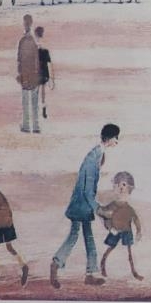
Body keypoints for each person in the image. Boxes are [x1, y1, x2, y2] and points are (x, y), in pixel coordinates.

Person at [50, 123, 119, 289]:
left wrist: (97, 209)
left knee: (85, 236)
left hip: (83, 204)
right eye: (116, 138)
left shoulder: (98, 154)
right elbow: (88, 191)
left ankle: (89, 273)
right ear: (109, 138)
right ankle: (57, 264)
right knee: (76, 236)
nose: (117, 141)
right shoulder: (92, 158)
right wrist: (99, 209)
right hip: (81, 204)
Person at [97, 171, 144, 280]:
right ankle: (102, 266)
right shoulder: (112, 205)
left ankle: (134, 272)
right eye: (118, 185)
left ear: (129, 188)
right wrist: (110, 228)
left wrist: (139, 231)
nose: (121, 188)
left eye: (124, 184)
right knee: (110, 248)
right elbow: (103, 214)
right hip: (115, 230)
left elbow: (136, 219)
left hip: (127, 231)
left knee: (129, 252)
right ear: (115, 186)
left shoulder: (129, 208)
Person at [15, 14, 41, 133]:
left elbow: (19, 60)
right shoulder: (34, 40)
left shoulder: (23, 41)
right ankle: (35, 126)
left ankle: (27, 126)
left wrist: (20, 73)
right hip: (33, 73)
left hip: (26, 73)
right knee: (33, 102)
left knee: (26, 101)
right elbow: (37, 59)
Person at [34, 25, 52, 119]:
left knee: (37, 91)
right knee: (42, 92)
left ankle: (38, 109)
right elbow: (49, 62)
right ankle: (43, 109)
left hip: (38, 71)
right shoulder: (43, 45)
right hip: (43, 71)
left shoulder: (35, 44)